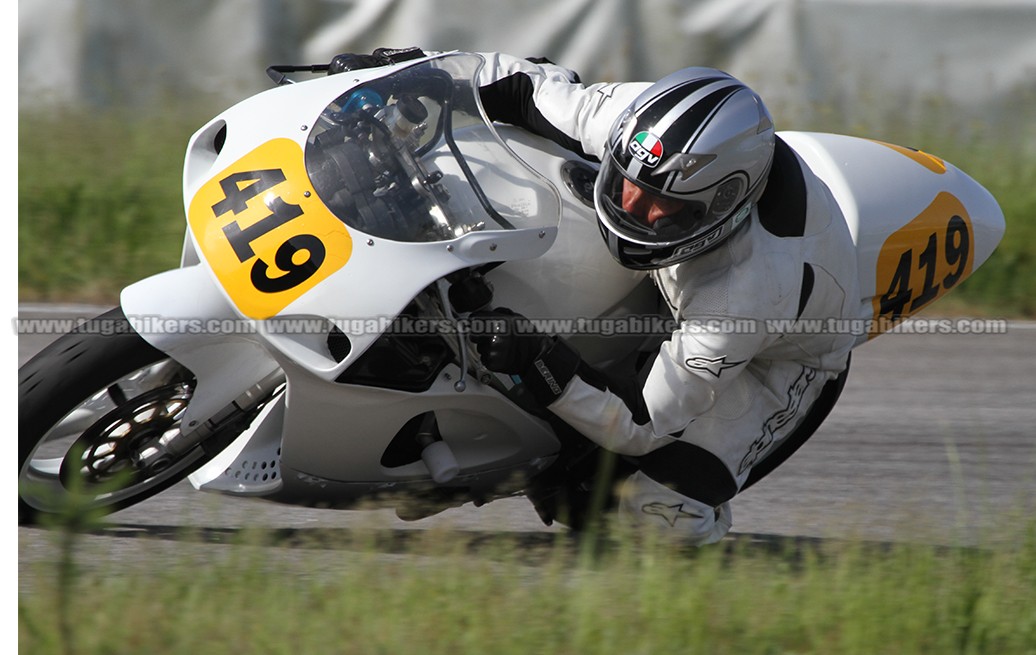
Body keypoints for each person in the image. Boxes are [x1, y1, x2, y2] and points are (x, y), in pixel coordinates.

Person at [455, 52, 862, 546]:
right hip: (685, 285)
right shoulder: (643, 127)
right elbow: (520, 84)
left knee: (643, 513)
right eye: (629, 182)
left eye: (661, 204)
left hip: (774, 364)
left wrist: (537, 358)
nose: (631, 207)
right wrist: (415, 75)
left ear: (720, 206)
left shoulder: (747, 292)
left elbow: (639, 423)